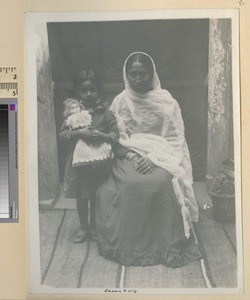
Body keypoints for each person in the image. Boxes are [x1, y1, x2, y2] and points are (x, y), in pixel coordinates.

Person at [95, 52, 202, 268]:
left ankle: (161, 244)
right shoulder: (121, 101)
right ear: (126, 75)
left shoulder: (167, 103)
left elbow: (175, 139)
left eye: (142, 74)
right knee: (129, 183)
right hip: (129, 151)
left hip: (162, 155)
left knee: (160, 182)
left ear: (151, 74)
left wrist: (154, 159)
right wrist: (133, 155)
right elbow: (116, 136)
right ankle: (127, 244)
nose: (137, 79)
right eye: (132, 74)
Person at [60, 70, 119, 244]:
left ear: (98, 92)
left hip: (97, 162)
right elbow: (63, 133)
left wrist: (103, 136)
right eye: (84, 91)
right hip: (78, 163)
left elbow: (116, 134)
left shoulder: (106, 113)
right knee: (81, 195)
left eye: (92, 90)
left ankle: (93, 225)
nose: (88, 94)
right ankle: (83, 226)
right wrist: (79, 132)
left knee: (94, 194)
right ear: (78, 93)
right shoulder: (73, 114)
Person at [63, 98, 112, 167]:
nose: (75, 109)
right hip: (80, 139)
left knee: (97, 149)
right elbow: (64, 132)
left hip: (91, 135)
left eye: (76, 107)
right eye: (72, 108)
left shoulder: (84, 114)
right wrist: (79, 132)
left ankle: (96, 161)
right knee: (83, 151)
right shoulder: (70, 119)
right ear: (69, 111)